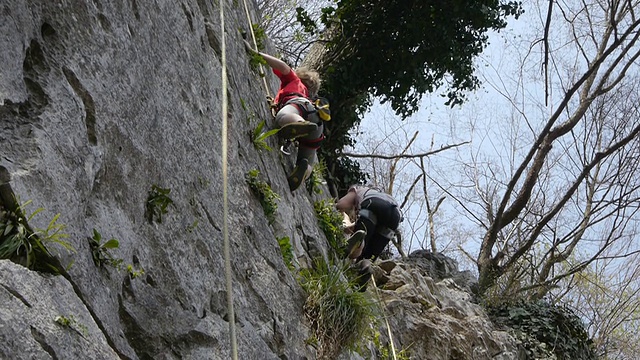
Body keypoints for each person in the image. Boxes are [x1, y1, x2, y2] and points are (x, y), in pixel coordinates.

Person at [243, 39, 324, 191]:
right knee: (307, 159)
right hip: (317, 119)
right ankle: (305, 171)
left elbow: (283, 67)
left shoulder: (295, 81)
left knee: (282, 117)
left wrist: (256, 53)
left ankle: (300, 123)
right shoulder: (311, 98)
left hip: (298, 106)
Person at [336, 185, 402, 289]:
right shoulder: (385, 196)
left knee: (361, 240)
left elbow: (341, 205)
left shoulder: (358, 189)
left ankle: (360, 242)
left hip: (374, 204)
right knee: (368, 257)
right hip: (394, 216)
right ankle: (365, 267)